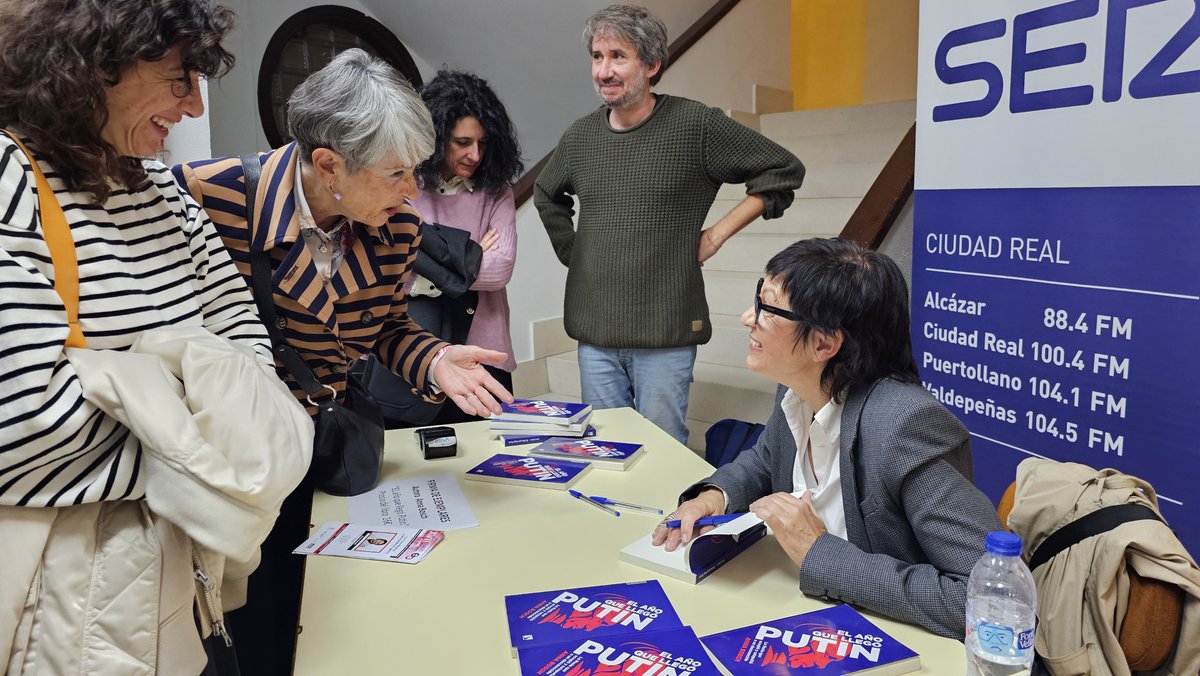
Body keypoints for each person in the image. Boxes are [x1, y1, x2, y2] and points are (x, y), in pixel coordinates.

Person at [173, 49, 515, 675]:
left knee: (331, 611)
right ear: (329, 163)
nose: (413, 193)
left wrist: (434, 360)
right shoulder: (207, 197)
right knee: (249, 626)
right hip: (235, 465)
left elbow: (386, 327)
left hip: (327, 448)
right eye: (396, 174)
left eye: (417, 170)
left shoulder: (397, 228)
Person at [0, 1, 312, 673]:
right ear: (93, 67)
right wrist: (210, 413)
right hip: (73, 610)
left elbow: (251, 357)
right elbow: (25, 427)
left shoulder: (165, 197)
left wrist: (132, 382)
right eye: (180, 79)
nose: (195, 109)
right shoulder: (12, 183)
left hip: (184, 590)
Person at [652, 238, 1003, 639]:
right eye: (757, 297)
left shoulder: (905, 426)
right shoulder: (797, 390)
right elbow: (768, 459)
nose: (749, 317)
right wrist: (713, 497)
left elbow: (986, 602)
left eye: (768, 307)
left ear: (823, 343)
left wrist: (820, 554)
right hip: (807, 617)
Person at [535, 4, 805, 445]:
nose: (604, 70)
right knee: (604, 447)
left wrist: (716, 236)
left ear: (652, 64)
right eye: (597, 57)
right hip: (595, 332)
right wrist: (576, 251)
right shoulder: (579, 137)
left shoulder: (694, 125)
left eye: (618, 56)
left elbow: (781, 169)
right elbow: (547, 192)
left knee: (662, 451)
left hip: (664, 331)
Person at [411, 69, 523, 423]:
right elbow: (392, 265)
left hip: (486, 349)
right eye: (462, 142)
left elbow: (501, 268)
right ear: (437, 138)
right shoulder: (404, 185)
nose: (475, 154)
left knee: (488, 459)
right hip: (417, 350)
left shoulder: (497, 190)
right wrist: (473, 250)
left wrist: (426, 263)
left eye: (483, 143)